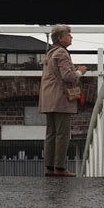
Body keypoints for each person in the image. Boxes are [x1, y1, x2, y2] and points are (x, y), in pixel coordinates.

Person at [38, 24, 87, 177]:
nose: (71, 37)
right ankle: (59, 168)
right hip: (60, 98)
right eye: (68, 35)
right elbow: (68, 77)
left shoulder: (50, 53)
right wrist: (80, 71)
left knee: (51, 134)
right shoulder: (62, 54)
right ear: (60, 38)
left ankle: (49, 167)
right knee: (63, 134)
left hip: (48, 97)